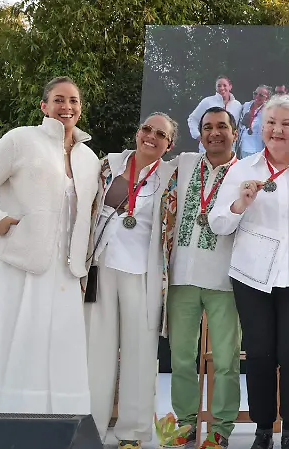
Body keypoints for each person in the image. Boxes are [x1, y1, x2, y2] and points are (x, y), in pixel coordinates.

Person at [0, 76, 100, 414]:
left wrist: (83, 267)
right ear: (44, 106)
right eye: (58, 99)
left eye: (74, 101)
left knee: (55, 350)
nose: (66, 107)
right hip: (19, 264)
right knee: (13, 344)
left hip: (65, 274)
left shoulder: (89, 159)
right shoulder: (21, 139)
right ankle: (0, 420)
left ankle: (55, 421)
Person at [210, 95, 289, 449]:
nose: (277, 130)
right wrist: (240, 204)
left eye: (286, 123)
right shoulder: (242, 169)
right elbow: (218, 222)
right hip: (252, 277)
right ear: (260, 127)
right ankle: (264, 428)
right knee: (261, 352)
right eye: (270, 123)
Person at [85, 112, 180, 448]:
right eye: (146, 129)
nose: (150, 137)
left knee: (140, 354)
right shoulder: (107, 166)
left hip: (143, 272)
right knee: (97, 351)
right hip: (101, 266)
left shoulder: (172, 175)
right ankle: (90, 428)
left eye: (160, 134)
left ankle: (133, 433)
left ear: (169, 145)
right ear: (137, 132)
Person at [162, 107, 241, 449]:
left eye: (222, 126)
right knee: (181, 357)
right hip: (182, 276)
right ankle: (186, 423)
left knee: (225, 361)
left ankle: (221, 429)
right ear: (200, 134)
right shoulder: (183, 164)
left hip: (225, 280)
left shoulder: (245, 172)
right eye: (208, 127)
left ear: (235, 133)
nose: (214, 133)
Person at [188, 76, 243, 153]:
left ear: (230, 87)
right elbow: (192, 118)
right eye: (219, 86)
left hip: (229, 150)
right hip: (207, 149)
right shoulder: (207, 101)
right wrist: (198, 135)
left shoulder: (237, 105)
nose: (222, 88)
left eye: (224, 85)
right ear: (215, 88)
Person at [238, 85, 271, 159]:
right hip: (243, 145)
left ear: (267, 98)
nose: (257, 96)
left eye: (261, 95)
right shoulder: (246, 106)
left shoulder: (268, 110)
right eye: (255, 93)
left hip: (257, 147)